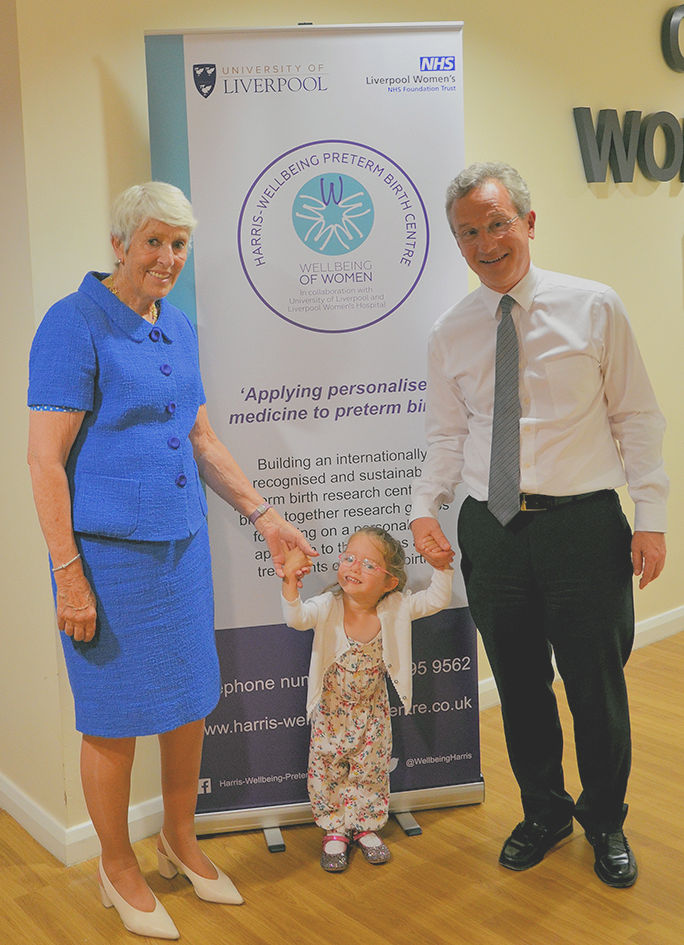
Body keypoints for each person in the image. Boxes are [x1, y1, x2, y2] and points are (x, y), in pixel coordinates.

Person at [27, 181, 316, 939]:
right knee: (115, 718)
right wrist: (68, 573)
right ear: (120, 243)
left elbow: (200, 437)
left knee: (188, 699)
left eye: (179, 244)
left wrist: (265, 515)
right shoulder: (73, 324)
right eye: (153, 241)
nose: (167, 257)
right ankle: (115, 864)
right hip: (110, 562)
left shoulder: (178, 326)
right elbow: (44, 462)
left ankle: (179, 839)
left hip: (182, 550)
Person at [410, 162, 668, 889]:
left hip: (583, 526)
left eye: (497, 224)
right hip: (490, 532)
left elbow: (638, 418)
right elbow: (446, 434)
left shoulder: (594, 307)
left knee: (596, 686)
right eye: (469, 232)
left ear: (528, 222)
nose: (486, 243)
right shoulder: (451, 330)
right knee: (520, 685)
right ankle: (545, 810)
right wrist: (423, 507)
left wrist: (650, 517)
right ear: (458, 245)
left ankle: (606, 818)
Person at [280, 527, 453, 872]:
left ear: (390, 582)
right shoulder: (329, 606)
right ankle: (335, 829)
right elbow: (296, 618)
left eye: (368, 565)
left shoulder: (396, 607)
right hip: (331, 713)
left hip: (372, 713)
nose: (354, 568)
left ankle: (366, 826)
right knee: (327, 771)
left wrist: (442, 567)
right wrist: (289, 579)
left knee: (369, 771)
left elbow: (436, 599)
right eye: (349, 558)